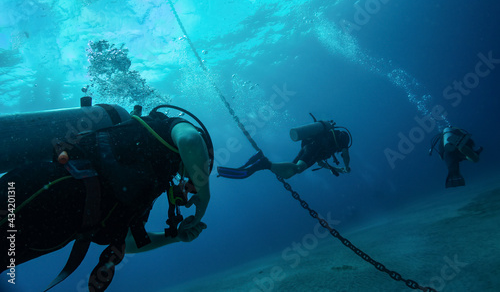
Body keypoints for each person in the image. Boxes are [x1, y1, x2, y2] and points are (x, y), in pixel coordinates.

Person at [0, 105, 213, 291]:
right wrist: (204, 200)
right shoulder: (168, 128)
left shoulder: (153, 177)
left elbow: (129, 243)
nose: (189, 184)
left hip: (56, 233)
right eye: (197, 177)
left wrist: (175, 236)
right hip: (44, 191)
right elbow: (190, 140)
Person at [217, 116, 352, 179]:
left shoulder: (329, 143)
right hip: (312, 149)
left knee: (289, 173)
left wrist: (335, 169)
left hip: (308, 148)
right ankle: (265, 163)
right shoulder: (343, 138)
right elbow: (345, 154)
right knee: (297, 169)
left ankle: (262, 163)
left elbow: (319, 162)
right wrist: (346, 166)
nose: (340, 151)